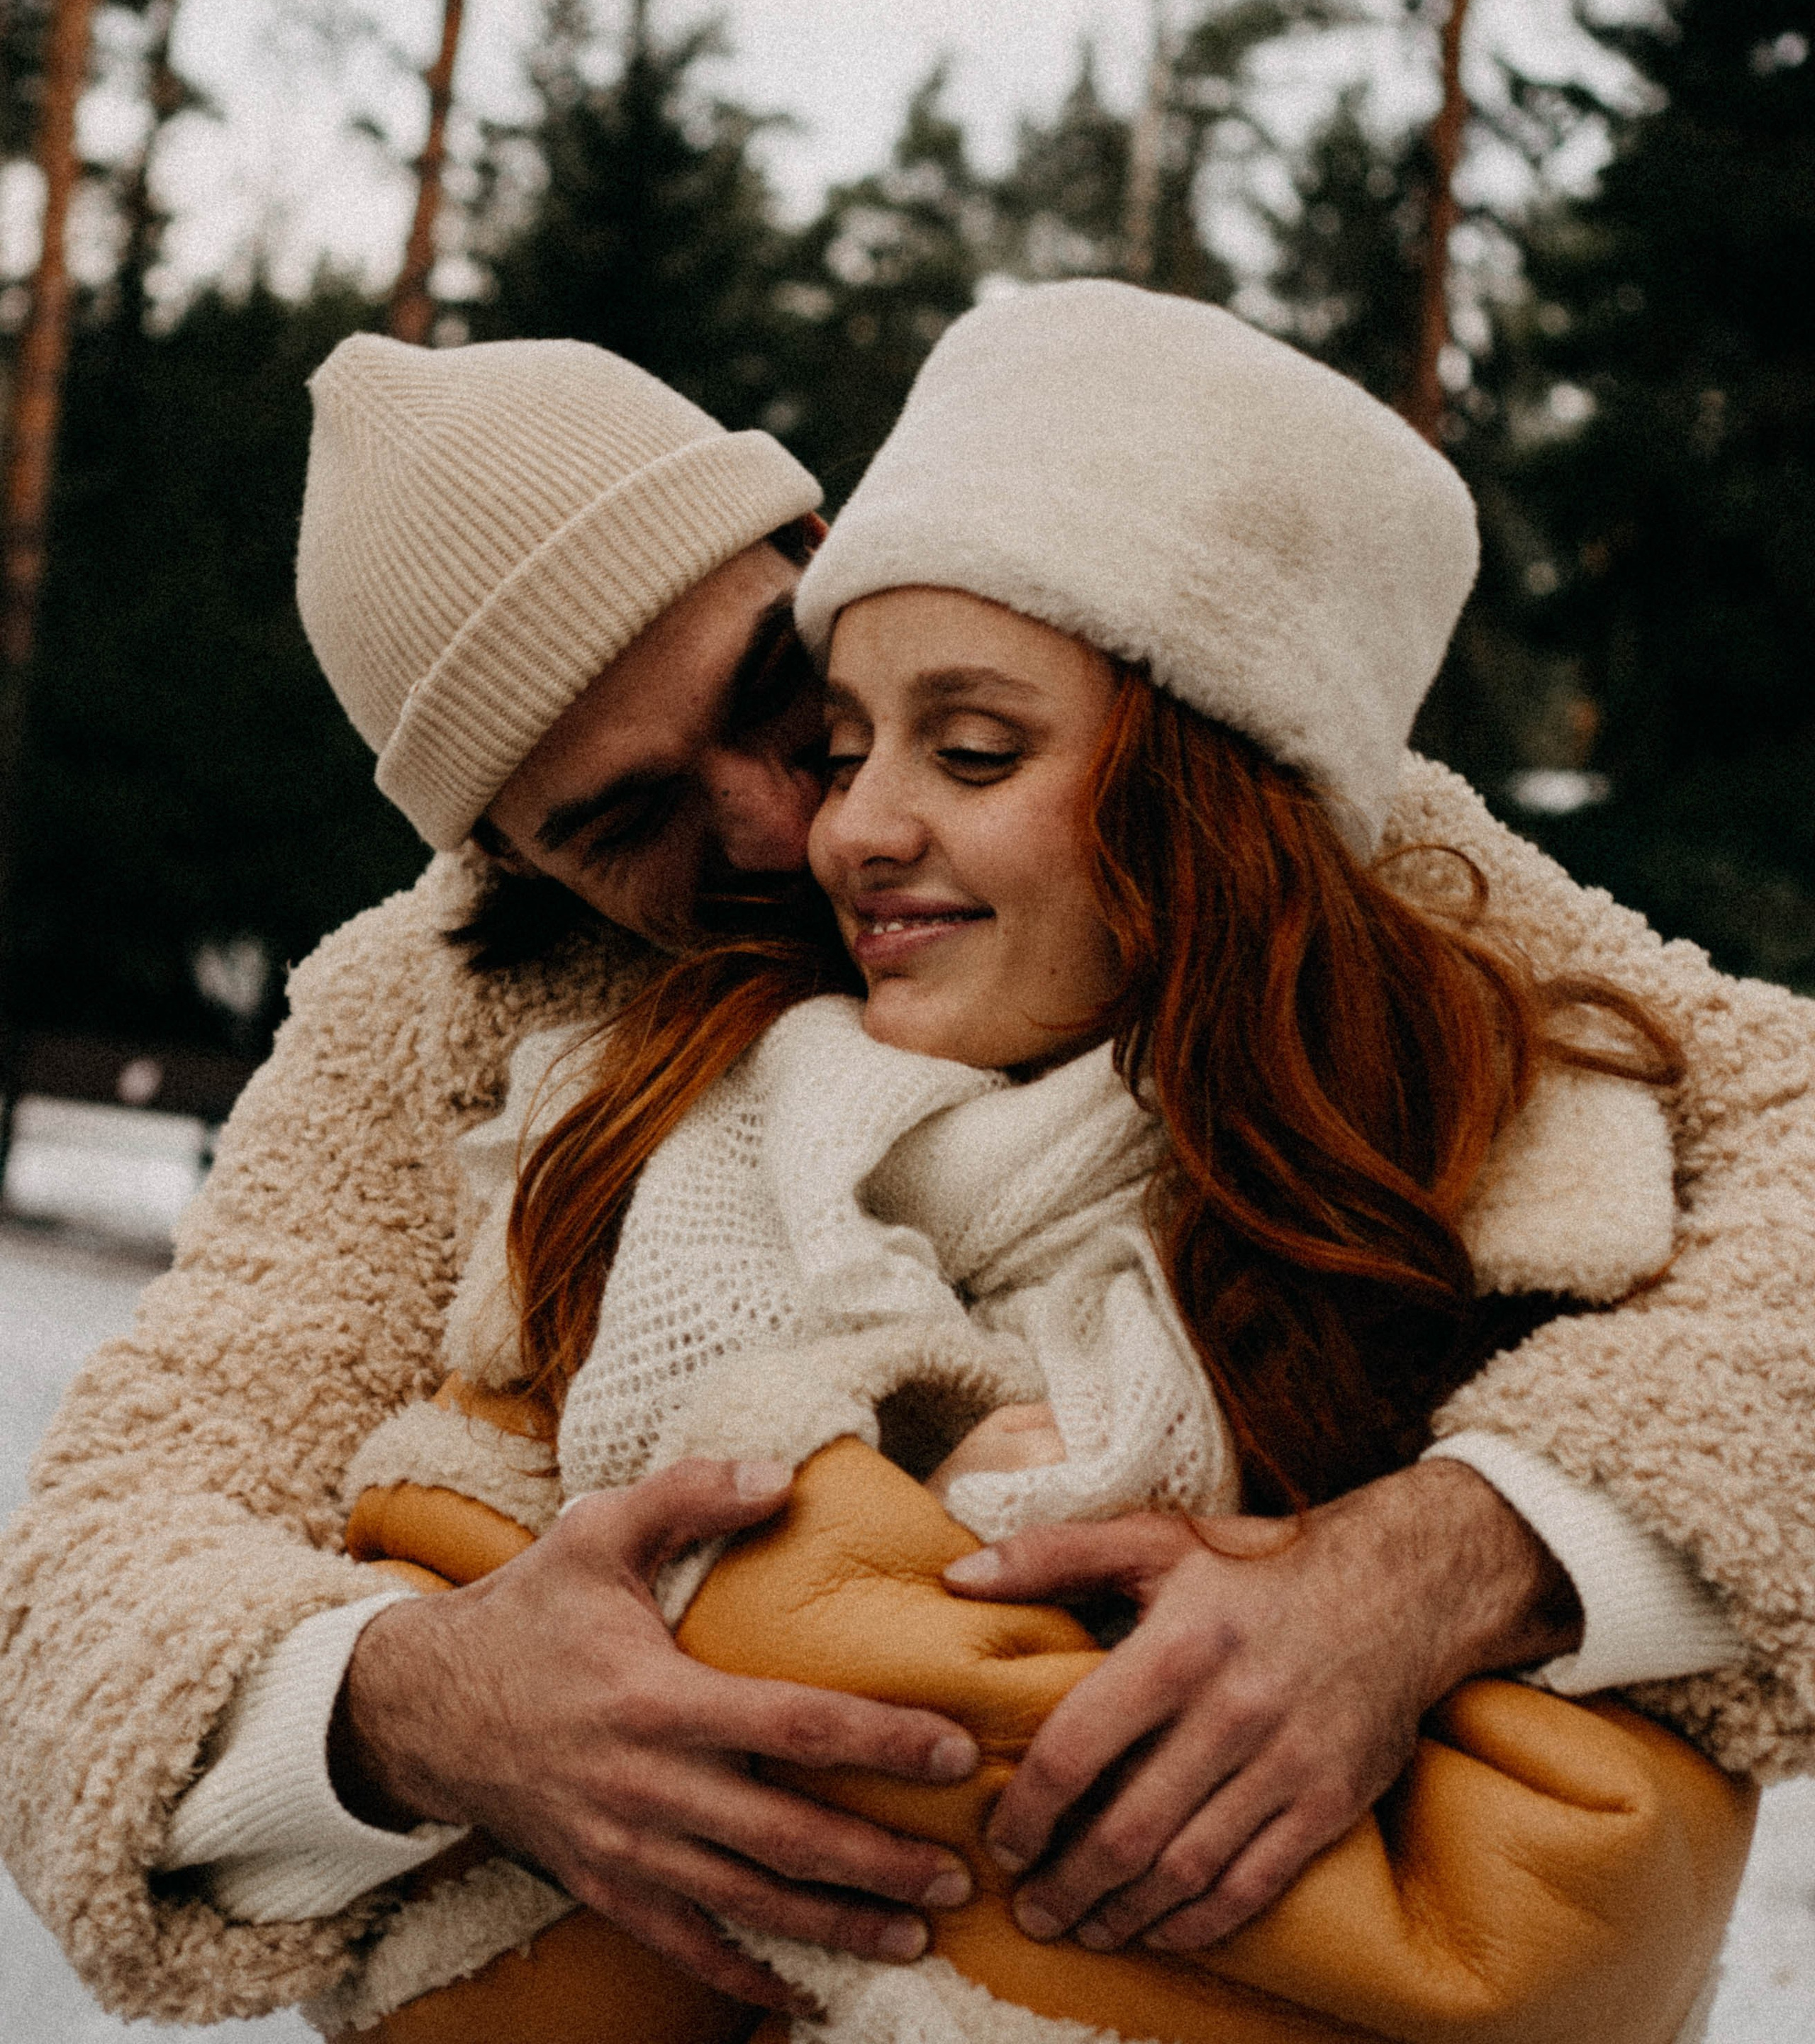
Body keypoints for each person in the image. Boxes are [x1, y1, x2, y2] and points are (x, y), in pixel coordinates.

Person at [1, 314, 1811, 2037]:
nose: (797, 827)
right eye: (625, 821)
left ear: (824, 543)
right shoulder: (426, 1028)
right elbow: (87, 1583)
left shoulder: (1286, 808)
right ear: (506, 858)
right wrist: (416, 1707)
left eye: (781, 692)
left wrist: (1447, 1556)